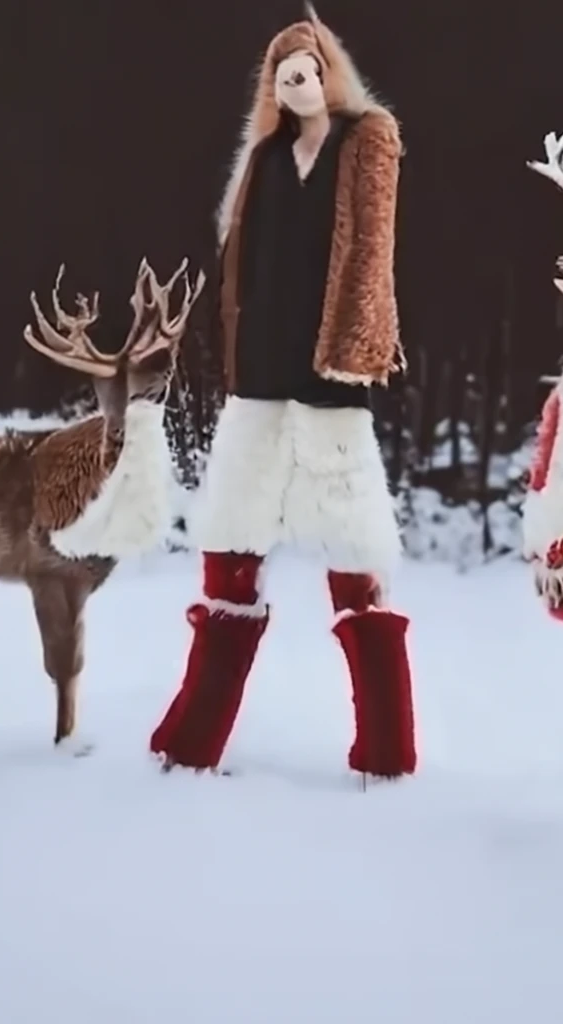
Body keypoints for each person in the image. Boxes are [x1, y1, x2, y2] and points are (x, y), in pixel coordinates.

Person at [149, 4, 418, 780]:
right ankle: (190, 742)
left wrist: (356, 348)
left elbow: (372, 249)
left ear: (331, 76)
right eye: (286, 77)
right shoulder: (265, 160)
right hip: (261, 376)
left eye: (310, 73)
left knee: (355, 555)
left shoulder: (363, 143)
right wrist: (237, 356)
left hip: (332, 376)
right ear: (275, 87)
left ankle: (388, 752)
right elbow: (245, 266)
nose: (300, 85)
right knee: (229, 549)